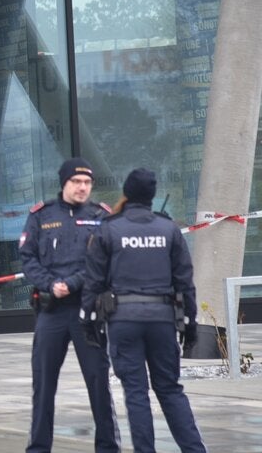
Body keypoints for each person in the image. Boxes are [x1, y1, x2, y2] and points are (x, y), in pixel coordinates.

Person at [81, 168, 206, 453]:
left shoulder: (109, 228)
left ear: (126, 192)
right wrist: (191, 323)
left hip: (123, 321)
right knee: (170, 389)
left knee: (136, 393)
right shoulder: (169, 229)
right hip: (163, 321)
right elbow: (185, 281)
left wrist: (88, 321)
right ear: (152, 196)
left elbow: (94, 281)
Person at [19, 158, 120, 453]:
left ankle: (108, 446)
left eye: (87, 183)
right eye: (76, 182)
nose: (82, 187)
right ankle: (38, 447)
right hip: (52, 311)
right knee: (43, 384)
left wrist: (72, 283)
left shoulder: (101, 216)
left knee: (98, 381)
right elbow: (28, 258)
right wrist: (50, 284)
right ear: (64, 183)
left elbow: (104, 261)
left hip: (88, 310)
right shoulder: (41, 215)